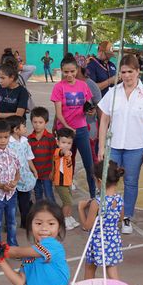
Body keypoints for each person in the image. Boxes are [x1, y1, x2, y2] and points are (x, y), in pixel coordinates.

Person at [98, 54, 143, 234]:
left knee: (131, 182)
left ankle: (127, 217)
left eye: (130, 72)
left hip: (136, 148)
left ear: (138, 71)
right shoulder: (113, 92)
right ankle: (107, 215)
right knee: (108, 181)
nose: (126, 76)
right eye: (123, 72)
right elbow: (104, 120)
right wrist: (101, 147)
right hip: (114, 146)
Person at [51, 56, 96, 197]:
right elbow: (59, 113)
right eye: (66, 72)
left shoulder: (83, 85)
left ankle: (93, 196)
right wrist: (67, 127)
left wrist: (91, 110)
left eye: (72, 71)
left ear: (77, 70)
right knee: (65, 164)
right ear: (61, 71)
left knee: (89, 165)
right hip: (65, 132)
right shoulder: (58, 87)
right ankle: (67, 198)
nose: (69, 75)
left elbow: (88, 105)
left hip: (82, 130)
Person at [79, 160, 125, 280]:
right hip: (113, 239)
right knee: (111, 268)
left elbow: (87, 226)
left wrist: (81, 209)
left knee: (90, 267)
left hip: (97, 240)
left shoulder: (97, 202)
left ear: (99, 181)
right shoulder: (119, 199)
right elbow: (120, 218)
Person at [7, 116, 37, 229]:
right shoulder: (8, 143)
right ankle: (9, 224)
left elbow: (29, 157)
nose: (25, 129)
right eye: (23, 126)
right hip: (12, 177)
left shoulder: (25, 141)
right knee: (11, 203)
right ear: (16, 129)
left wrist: (34, 170)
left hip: (24, 176)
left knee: (24, 201)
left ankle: (25, 222)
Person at [28, 107, 57, 203]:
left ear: (46, 122)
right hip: (34, 173)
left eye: (40, 122)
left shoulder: (50, 138)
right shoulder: (29, 139)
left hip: (47, 173)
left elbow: (54, 156)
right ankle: (39, 210)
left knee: (49, 195)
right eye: (35, 122)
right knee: (38, 194)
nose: (37, 125)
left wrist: (53, 171)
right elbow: (28, 158)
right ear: (31, 122)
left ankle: (53, 211)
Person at [52, 127, 79, 230]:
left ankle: (69, 216)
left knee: (69, 201)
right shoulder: (58, 151)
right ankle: (64, 219)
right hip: (61, 183)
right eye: (63, 142)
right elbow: (61, 152)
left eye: (69, 143)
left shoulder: (69, 153)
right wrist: (64, 152)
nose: (66, 145)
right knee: (67, 202)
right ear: (57, 142)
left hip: (68, 182)